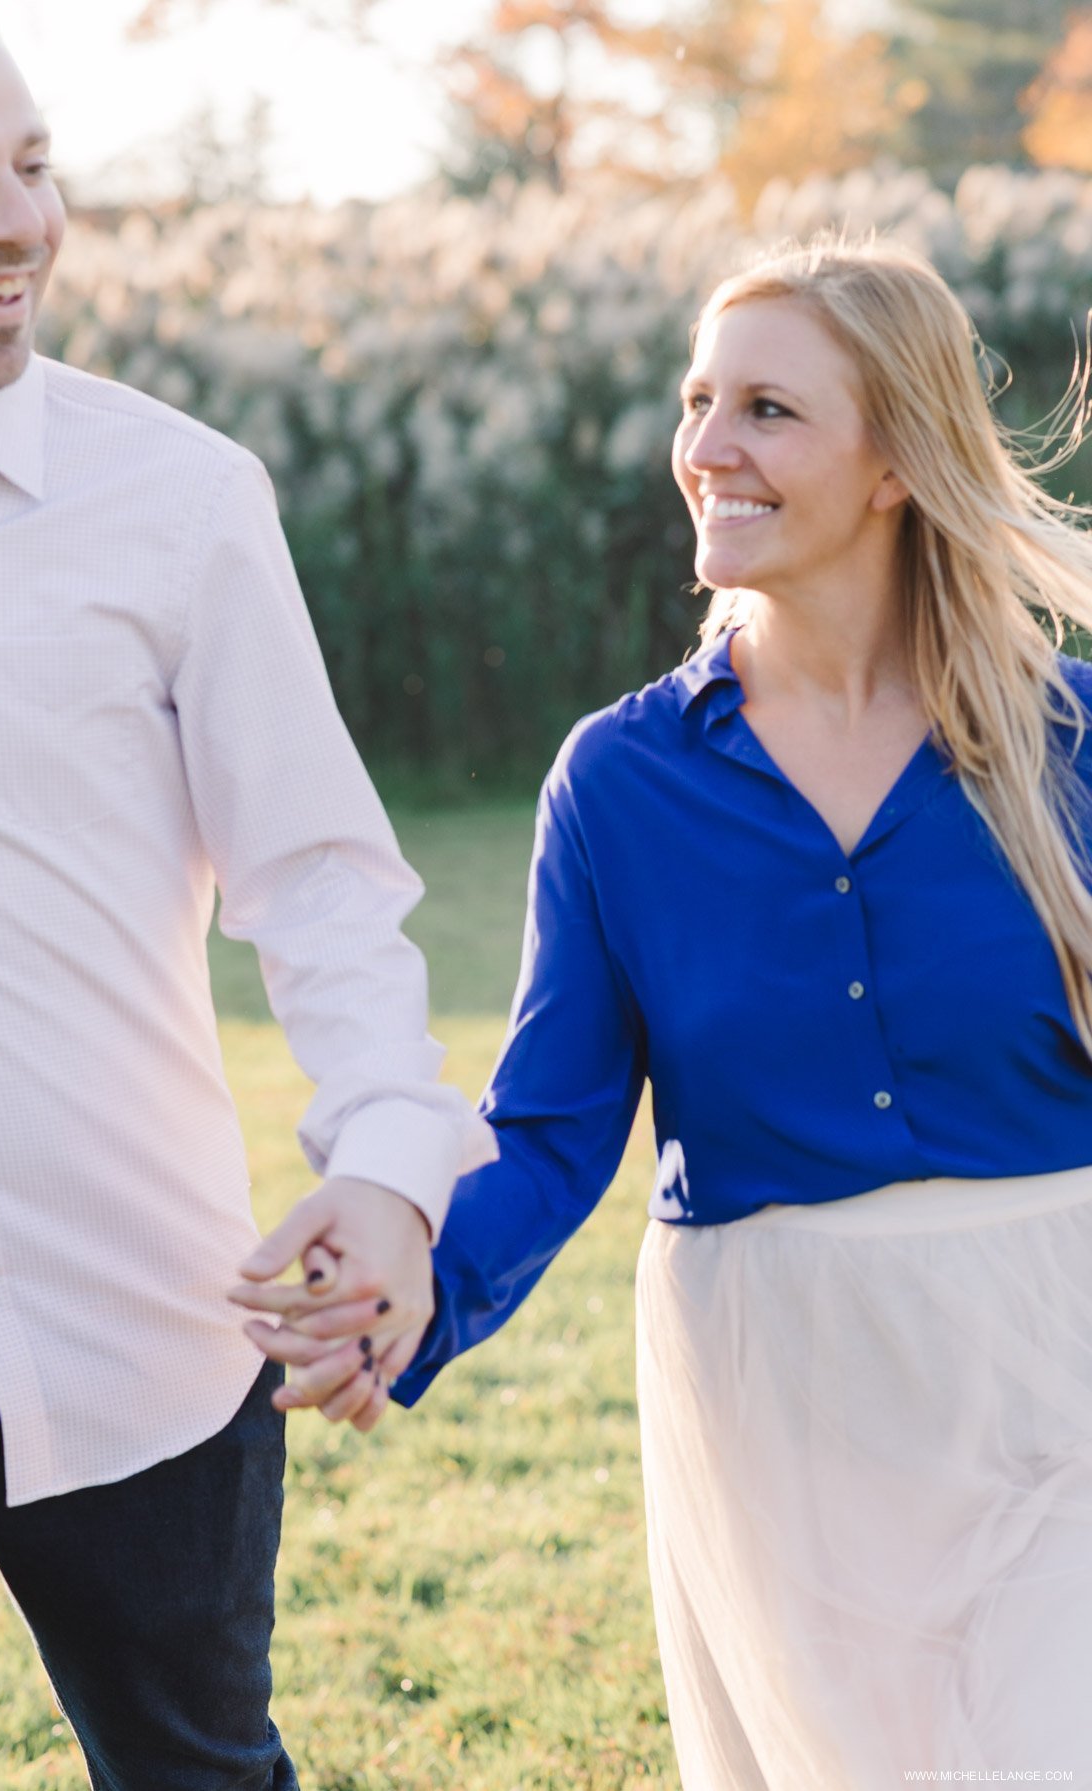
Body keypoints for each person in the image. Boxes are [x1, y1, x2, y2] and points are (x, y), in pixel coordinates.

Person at [238, 235, 1092, 1788]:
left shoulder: (1071, 746)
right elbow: (553, 1134)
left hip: (1057, 1360)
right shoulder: (623, 785)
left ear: (895, 459)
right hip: (787, 1398)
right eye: (698, 402)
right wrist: (419, 1281)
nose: (706, 449)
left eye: (767, 409)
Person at [0, 4, 494, 1787]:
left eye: (33, 164)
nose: (22, 222)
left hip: (150, 1335)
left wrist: (389, 1166)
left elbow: (316, 882)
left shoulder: (177, 501)